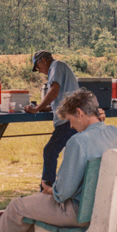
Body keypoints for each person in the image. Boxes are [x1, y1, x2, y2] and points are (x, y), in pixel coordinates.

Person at [0, 89, 117, 232]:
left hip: (78, 212)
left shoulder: (77, 142)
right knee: (31, 215)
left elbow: (63, 193)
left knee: (17, 207)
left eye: (70, 120)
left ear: (79, 113)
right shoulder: (114, 133)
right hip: (104, 209)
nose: (70, 126)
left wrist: (51, 190)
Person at [23, 51, 79, 189]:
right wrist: (45, 108)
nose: (40, 71)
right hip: (72, 117)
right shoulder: (60, 67)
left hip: (68, 120)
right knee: (69, 155)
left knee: (50, 151)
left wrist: (36, 109)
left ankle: (46, 189)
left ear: (43, 60)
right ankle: (60, 188)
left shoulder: (55, 66)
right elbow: (60, 99)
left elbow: (54, 91)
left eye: (38, 67)